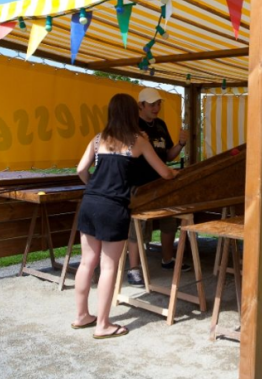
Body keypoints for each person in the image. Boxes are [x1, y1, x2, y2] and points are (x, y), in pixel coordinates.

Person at [71, 93, 178, 339]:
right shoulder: (137, 140)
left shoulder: (98, 139)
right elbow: (164, 172)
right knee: (108, 266)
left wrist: (94, 187)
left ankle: (81, 316)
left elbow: (80, 169)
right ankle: (103, 325)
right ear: (132, 113)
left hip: (90, 203)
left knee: (87, 262)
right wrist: (174, 176)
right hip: (114, 208)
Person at [126, 87, 190, 287]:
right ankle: (133, 269)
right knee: (137, 225)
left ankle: (167, 260)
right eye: (152, 104)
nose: (156, 107)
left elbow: (168, 156)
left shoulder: (161, 125)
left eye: (158, 103)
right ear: (140, 105)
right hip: (138, 185)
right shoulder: (132, 126)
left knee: (169, 220)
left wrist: (181, 144)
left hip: (162, 182)